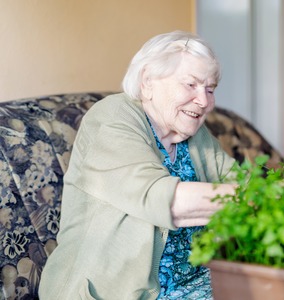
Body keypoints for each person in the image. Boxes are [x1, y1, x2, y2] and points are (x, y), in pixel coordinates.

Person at [39, 31, 237, 299]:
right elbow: (165, 201)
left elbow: (241, 182)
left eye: (210, 89)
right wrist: (263, 198)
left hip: (198, 281)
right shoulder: (111, 119)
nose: (204, 101)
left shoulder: (192, 133)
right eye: (191, 85)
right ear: (148, 82)